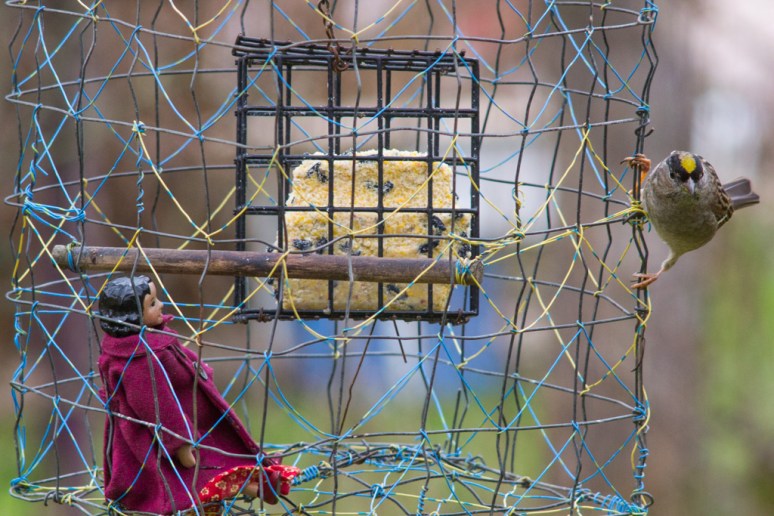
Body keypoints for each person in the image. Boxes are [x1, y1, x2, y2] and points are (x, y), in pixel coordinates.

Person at [97, 275, 298, 514]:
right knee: (188, 478)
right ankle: (249, 487)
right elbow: (156, 406)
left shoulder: (150, 341)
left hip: (194, 420)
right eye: (152, 303)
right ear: (131, 316)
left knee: (218, 458)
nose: (161, 305)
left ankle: (257, 484)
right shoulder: (138, 360)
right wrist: (178, 442)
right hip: (165, 438)